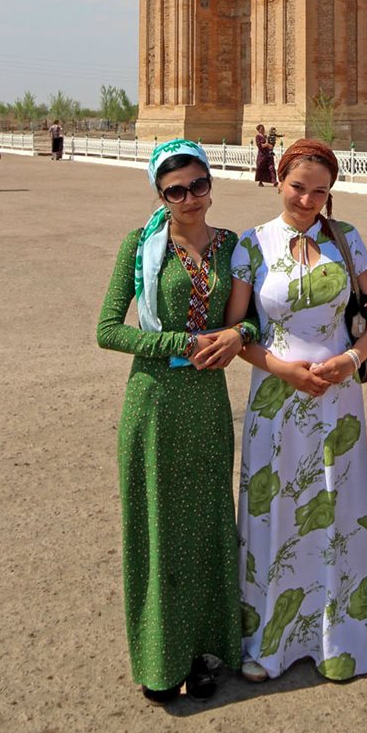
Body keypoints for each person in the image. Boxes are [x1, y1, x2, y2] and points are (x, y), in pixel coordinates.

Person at [221, 138, 367, 683]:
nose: (308, 199)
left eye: (320, 190)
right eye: (298, 187)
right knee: (276, 519)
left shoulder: (347, 239)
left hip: (338, 400)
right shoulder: (253, 244)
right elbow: (239, 331)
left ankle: (339, 639)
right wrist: (281, 368)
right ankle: (269, 641)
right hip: (277, 400)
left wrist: (353, 357)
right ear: (278, 181)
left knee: (337, 512)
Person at [96, 139, 248, 703]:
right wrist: (176, 341)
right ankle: (161, 658)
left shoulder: (232, 247)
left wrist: (238, 334)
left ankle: (203, 651)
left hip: (207, 403)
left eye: (198, 186)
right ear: (161, 195)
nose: (189, 198)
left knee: (208, 528)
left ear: (211, 183)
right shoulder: (140, 246)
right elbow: (108, 328)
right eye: (175, 190)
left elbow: (251, 319)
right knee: (157, 530)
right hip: (155, 401)